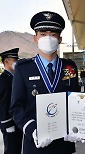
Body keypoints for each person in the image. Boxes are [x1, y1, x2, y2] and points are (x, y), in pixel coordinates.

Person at [9, 11, 79, 154]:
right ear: (35, 38)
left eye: (53, 34)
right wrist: (32, 130)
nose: (48, 38)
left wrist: (77, 125)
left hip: (64, 143)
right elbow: (16, 107)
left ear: (60, 39)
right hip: (36, 144)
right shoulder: (23, 68)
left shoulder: (69, 67)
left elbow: (76, 100)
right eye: (43, 34)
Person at [0, 48, 23, 154]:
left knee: (17, 148)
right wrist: (7, 124)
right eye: (15, 60)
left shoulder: (15, 78)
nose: (17, 62)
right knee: (11, 150)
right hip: (10, 123)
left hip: (18, 121)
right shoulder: (3, 80)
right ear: (6, 61)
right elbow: (3, 104)